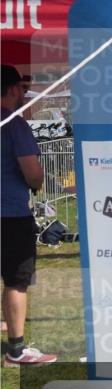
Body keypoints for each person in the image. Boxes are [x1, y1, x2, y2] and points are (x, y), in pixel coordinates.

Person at [1, 65, 57, 365]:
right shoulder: (14, 124)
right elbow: (33, 174)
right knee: (16, 281)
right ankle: (16, 350)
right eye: (23, 89)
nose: (25, 95)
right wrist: (36, 181)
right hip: (9, 214)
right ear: (11, 90)